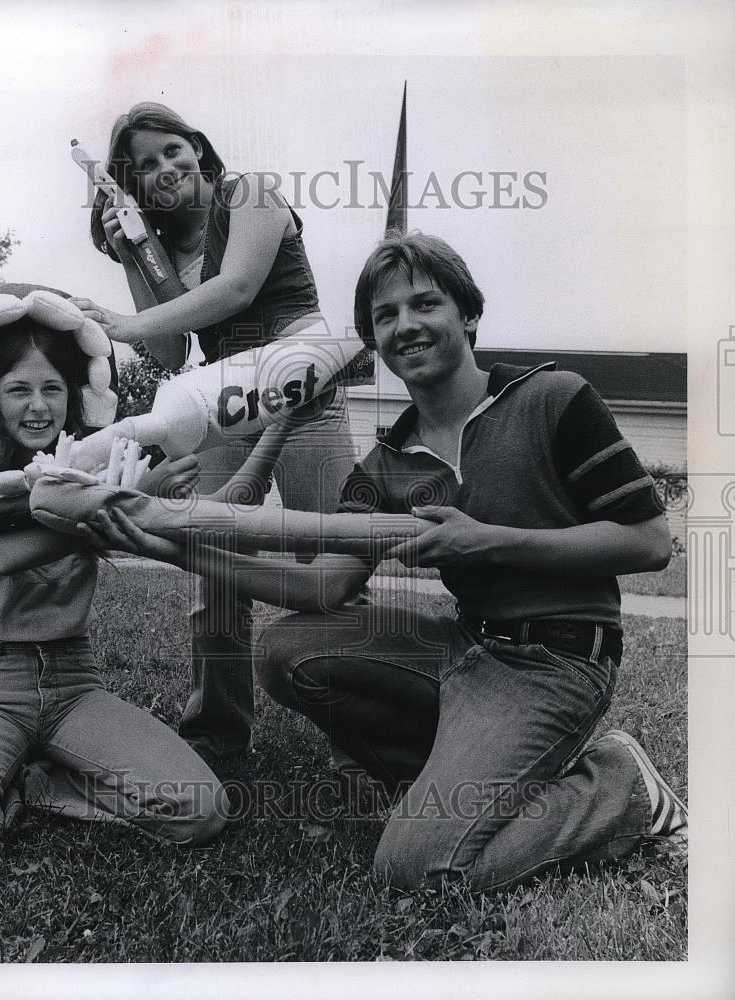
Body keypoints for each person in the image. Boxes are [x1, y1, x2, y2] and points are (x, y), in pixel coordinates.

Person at [85, 231, 688, 893]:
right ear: (371, 342)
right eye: (384, 316)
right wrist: (169, 545)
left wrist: (484, 539)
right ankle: (445, 779)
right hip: (467, 648)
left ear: (467, 312)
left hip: (558, 661)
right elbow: (322, 587)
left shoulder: (552, 400)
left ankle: (619, 783)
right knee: (287, 647)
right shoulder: (386, 463)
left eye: (423, 304)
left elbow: (647, 542)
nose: (405, 325)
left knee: (415, 866)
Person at [71, 102, 360, 767]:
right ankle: (217, 737)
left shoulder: (250, 193)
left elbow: (236, 290)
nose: (164, 167)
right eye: (144, 165)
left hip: (300, 391)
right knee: (214, 571)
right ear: (134, 186)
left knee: (331, 555)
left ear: (198, 148)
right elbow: (173, 352)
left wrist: (121, 323)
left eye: (171, 150)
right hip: (227, 404)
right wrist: (130, 253)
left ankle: (357, 737)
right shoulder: (163, 246)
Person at [0, 297, 228, 868]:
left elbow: (171, 534)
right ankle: (7, 774)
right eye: (18, 389)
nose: (39, 405)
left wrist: (153, 497)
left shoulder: (90, 469)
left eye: (53, 388)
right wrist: (123, 504)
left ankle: (40, 785)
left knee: (202, 810)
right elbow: (8, 553)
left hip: (73, 679)